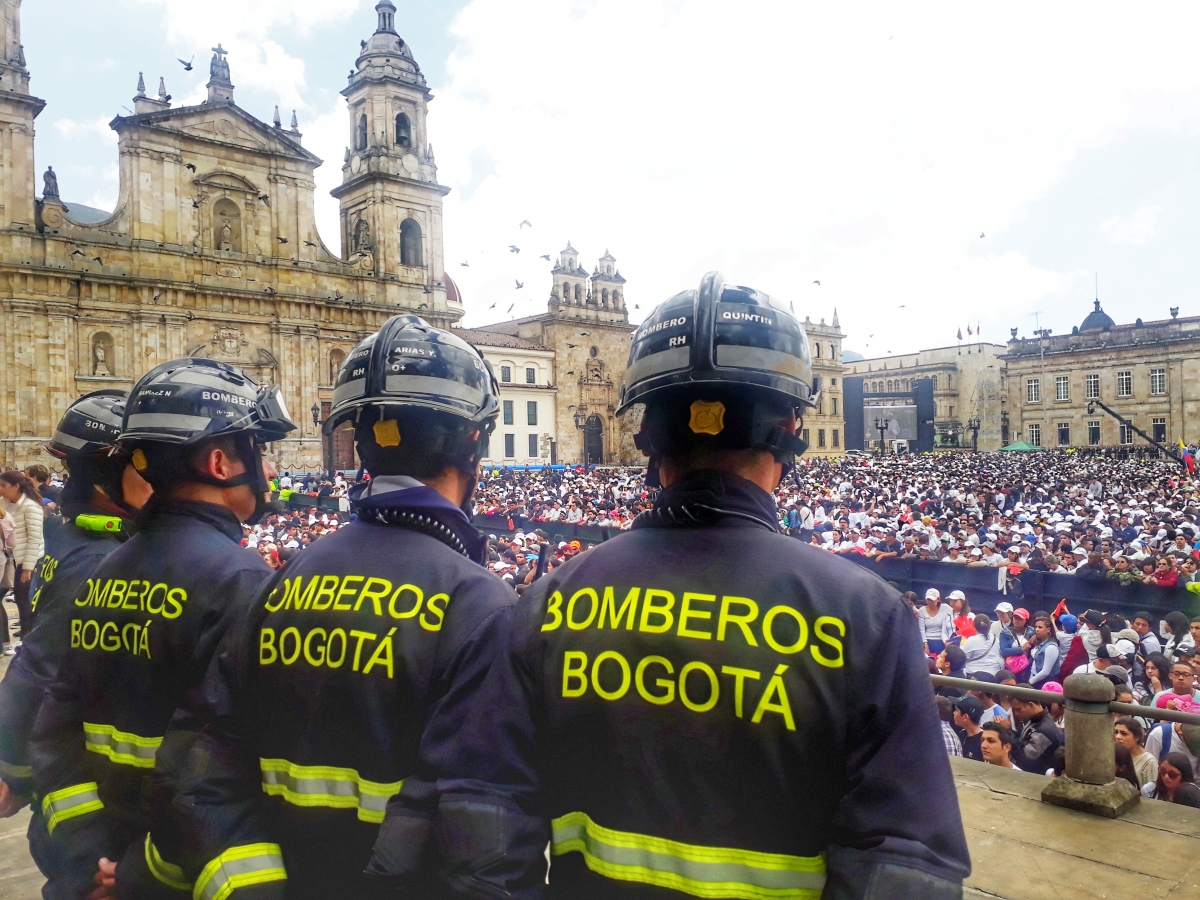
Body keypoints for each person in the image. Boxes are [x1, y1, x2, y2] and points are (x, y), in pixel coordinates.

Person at [463, 274, 972, 897]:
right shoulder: (866, 615)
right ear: (791, 425)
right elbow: (907, 865)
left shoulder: (551, 599)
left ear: (646, 431)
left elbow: (483, 823)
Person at [166, 316, 542, 898]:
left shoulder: (280, 583)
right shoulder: (478, 603)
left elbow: (205, 771)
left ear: (361, 440)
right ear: (475, 440)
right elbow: (484, 841)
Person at [29, 358, 294, 898]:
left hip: (94, 862)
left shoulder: (103, 569)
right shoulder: (242, 582)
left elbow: (54, 734)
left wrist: (89, 859)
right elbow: (203, 762)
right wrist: (135, 874)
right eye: (257, 451)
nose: (268, 473)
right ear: (220, 462)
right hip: (176, 869)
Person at [0, 391, 154, 892]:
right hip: (89, 812)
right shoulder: (99, 559)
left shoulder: (70, 537)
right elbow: (39, 668)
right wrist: (12, 770)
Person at [0, 470, 45, 646]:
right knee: (19, 597)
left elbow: (35, 538)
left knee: (24, 597)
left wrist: (28, 567)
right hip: (12, 558)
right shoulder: (4, 503)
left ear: (16, 486)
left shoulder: (31, 506)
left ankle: (28, 636)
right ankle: (25, 631)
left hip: (28, 559)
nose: (1, 489)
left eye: (4, 486)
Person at [1009, 695, 1062, 774]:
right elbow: (1020, 739)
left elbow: (1024, 759)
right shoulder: (1031, 718)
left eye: (1018, 709)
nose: (1016, 713)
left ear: (1031, 705)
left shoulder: (1044, 730)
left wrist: (1007, 732)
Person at [1114, 717, 1157, 788]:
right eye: (1115, 732)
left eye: (1124, 733)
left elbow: (1149, 791)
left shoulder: (1149, 762)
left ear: (1137, 737)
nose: (1117, 737)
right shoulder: (1112, 753)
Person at [917, 587, 955, 657]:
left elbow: (955, 614)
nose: (930, 602)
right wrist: (925, 644)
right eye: (928, 600)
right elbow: (921, 629)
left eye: (932, 600)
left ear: (938, 599)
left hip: (943, 641)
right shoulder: (922, 610)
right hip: (928, 641)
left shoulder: (946, 608)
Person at [1027, 614, 1061, 688]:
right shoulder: (1040, 642)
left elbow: (1045, 672)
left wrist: (1030, 682)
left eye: (1040, 627)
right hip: (1035, 679)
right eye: (1036, 627)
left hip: (1046, 683)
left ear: (1048, 629)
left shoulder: (1051, 647)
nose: (1036, 629)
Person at [953, 696, 985, 762]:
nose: (954, 713)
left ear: (965, 717)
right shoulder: (961, 734)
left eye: (956, 710)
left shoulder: (983, 740)